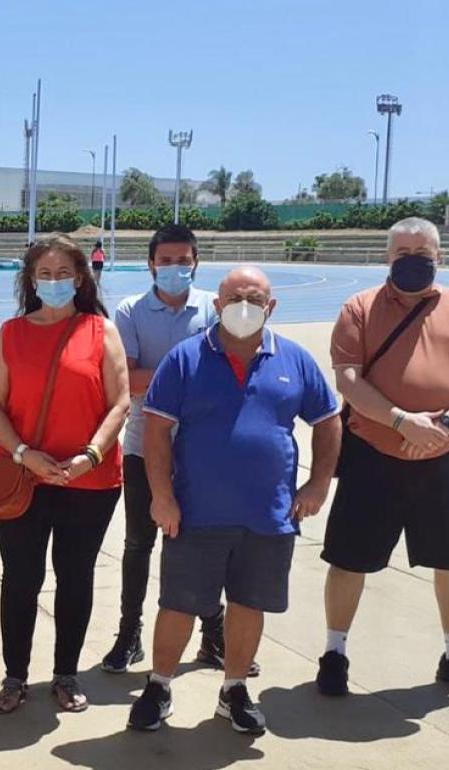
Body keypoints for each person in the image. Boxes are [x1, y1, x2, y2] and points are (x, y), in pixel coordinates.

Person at [128, 266, 340, 735]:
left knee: (248, 603)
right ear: (218, 306)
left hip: (268, 516)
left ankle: (234, 689)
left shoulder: (295, 360)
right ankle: (160, 685)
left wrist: (318, 484)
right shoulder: (184, 359)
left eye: (256, 298)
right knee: (179, 604)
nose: (245, 306)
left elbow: (328, 420)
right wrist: (161, 497)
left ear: (271, 307)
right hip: (196, 513)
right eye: (235, 297)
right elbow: (158, 432)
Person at [318, 218, 449, 701]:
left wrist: (443, 426)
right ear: (387, 257)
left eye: (422, 250)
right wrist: (403, 422)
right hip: (373, 454)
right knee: (348, 558)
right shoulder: (359, 309)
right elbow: (349, 381)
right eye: (402, 251)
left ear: (439, 256)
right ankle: (335, 653)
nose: (412, 259)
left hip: (446, 453)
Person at [0, 236, 129, 714]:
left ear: (80, 278)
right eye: (43, 274)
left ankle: (66, 674)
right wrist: (23, 453)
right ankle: (15, 676)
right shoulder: (11, 333)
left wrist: (90, 454)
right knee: (21, 578)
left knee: (75, 577)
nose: (53, 282)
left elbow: (120, 402)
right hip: (24, 478)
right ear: (28, 281)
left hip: (89, 481)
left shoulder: (100, 330)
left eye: (62, 273)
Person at [103, 224, 255, 676]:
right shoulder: (130, 311)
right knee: (138, 544)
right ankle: (129, 633)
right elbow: (127, 379)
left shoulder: (213, 308)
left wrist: (162, 378)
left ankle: (213, 634)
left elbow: (229, 371)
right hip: (141, 445)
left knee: (203, 543)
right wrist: (186, 377)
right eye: (165, 261)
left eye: (182, 261)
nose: (173, 268)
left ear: (196, 263)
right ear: (150, 263)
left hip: (202, 449)